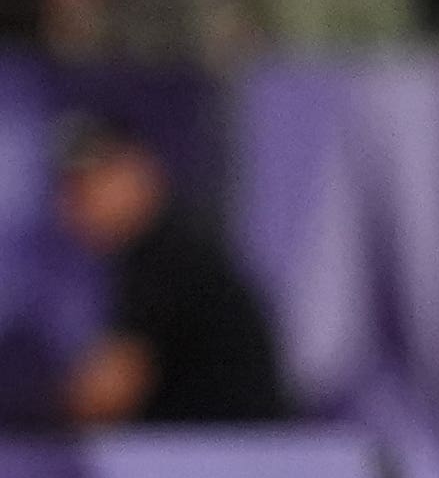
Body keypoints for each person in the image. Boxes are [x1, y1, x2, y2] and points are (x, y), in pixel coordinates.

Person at [55, 115, 291, 427]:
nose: (79, 204)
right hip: (224, 453)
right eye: (71, 190)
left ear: (142, 171)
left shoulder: (167, 256)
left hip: (236, 458)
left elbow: (107, 393)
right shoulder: (156, 251)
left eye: (93, 184)